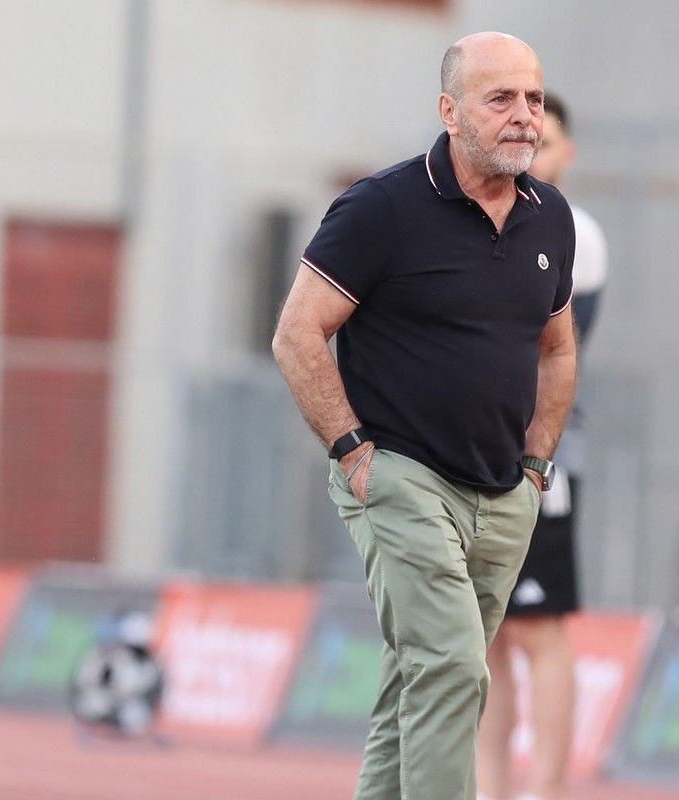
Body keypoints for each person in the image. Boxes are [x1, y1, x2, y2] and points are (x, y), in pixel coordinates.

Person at [272, 32, 577, 800]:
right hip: (401, 476)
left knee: (419, 678)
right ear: (450, 110)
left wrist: (536, 465)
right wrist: (352, 451)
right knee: (449, 666)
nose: (523, 115)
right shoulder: (383, 208)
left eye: (533, 98)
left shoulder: (551, 218)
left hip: (503, 492)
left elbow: (558, 348)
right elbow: (297, 333)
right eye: (500, 98)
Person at [477, 93, 608, 800]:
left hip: (537, 455)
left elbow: (537, 345)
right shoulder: (489, 221)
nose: (532, 149)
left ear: (566, 153)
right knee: (488, 636)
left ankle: (547, 789)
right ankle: (487, 787)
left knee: (537, 628)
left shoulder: (574, 231)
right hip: (471, 451)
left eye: (546, 140)